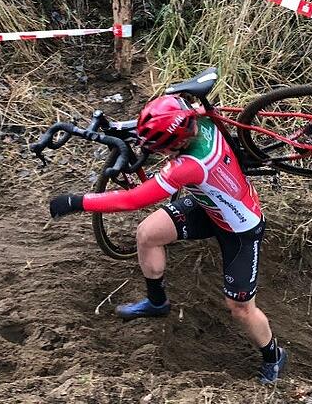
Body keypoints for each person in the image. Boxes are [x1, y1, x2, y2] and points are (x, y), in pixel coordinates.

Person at [48, 94, 287, 384]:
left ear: (178, 142)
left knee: (240, 309)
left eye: (163, 149)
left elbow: (132, 200)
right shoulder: (198, 115)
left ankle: (273, 356)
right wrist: (116, 128)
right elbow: (158, 125)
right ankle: (157, 302)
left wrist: (77, 202)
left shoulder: (189, 165)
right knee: (148, 234)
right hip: (208, 208)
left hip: (241, 228)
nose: (160, 154)